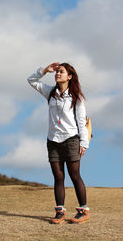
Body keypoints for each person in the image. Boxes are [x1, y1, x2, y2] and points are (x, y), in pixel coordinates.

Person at [27, 62, 90, 224]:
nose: (57, 74)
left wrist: (84, 143)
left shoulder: (77, 98)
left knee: (74, 175)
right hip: (53, 140)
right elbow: (32, 80)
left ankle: (83, 210)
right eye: (56, 72)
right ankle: (59, 212)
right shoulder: (50, 92)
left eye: (61, 72)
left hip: (71, 139)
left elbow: (82, 122)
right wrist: (44, 70)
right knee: (58, 176)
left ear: (69, 76)